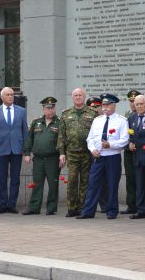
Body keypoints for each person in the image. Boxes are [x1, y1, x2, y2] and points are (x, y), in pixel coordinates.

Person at [77, 93, 129, 219]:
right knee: (93, 184)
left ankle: (111, 211)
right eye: (103, 105)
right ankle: (88, 211)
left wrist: (110, 144)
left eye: (107, 104)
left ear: (114, 105)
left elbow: (125, 140)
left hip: (112, 157)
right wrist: (92, 149)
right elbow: (90, 138)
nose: (105, 107)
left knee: (112, 184)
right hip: (98, 157)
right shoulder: (97, 120)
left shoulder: (122, 121)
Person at [57, 88, 98, 217]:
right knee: (72, 180)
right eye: (76, 95)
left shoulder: (93, 113)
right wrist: (62, 153)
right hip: (72, 153)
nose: (78, 97)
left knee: (85, 181)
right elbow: (61, 135)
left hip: (87, 153)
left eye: (80, 95)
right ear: (72, 97)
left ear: (84, 97)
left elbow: (97, 133)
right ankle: (72, 207)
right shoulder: (65, 114)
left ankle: (82, 207)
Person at [0, 87, 28, 214]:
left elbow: (25, 131)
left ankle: (12, 205)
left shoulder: (22, 111)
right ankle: (3, 204)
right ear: (2, 97)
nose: (10, 96)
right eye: (7, 94)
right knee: (2, 178)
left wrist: (26, 150)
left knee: (15, 178)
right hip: (1, 149)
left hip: (17, 149)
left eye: (12, 94)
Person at [22, 97, 61, 215]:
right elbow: (29, 139)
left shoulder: (60, 122)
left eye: (52, 108)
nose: (50, 110)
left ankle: (51, 208)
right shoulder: (36, 122)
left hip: (53, 159)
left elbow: (63, 140)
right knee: (36, 184)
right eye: (47, 108)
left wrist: (63, 155)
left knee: (53, 184)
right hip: (38, 159)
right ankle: (34, 208)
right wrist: (27, 153)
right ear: (43, 109)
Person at [128, 95, 145, 220]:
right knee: (140, 186)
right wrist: (129, 144)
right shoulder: (132, 118)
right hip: (137, 157)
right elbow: (129, 136)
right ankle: (141, 210)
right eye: (137, 104)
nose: (138, 106)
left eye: (141, 104)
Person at [120, 90, 141, 215]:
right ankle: (131, 205)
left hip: (140, 152)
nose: (133, 104)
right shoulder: (127, 117)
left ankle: (141, 205)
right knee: (130, 180)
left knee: (141, 180)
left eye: (135, 101)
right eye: (131, 101)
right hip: (129, 153)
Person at [86, 97, 109, 213]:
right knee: (90, 181)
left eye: (97, 107)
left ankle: (105, 205)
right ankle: (89, 206)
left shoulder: (105, 119)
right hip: (86, 153)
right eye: (92, 107)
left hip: (100, 154)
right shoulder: (86, 119)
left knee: (103, 181)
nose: (94, 109)